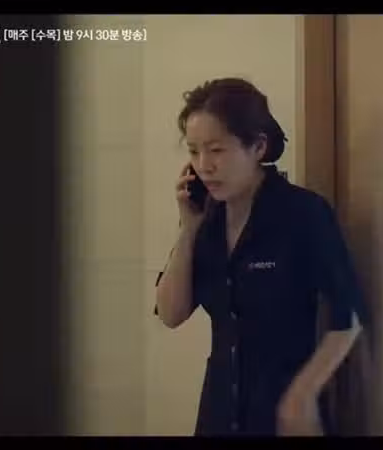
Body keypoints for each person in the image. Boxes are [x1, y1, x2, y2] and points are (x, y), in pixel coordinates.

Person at [154, 77, 368, 436]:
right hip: (218, 414)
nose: (204, 165)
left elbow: (349, 317)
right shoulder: (205, 221)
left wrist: (302, 394)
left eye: (216, 150)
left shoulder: (303, 213)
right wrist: (188, 229)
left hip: (285, 413)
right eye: (193, 151)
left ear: (257, 146)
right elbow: (171, 313)